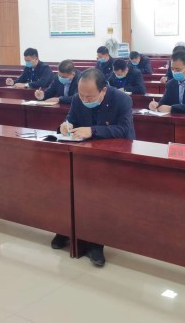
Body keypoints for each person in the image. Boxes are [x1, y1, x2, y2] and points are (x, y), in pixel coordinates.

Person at [52, 68, 135, 267]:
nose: (84, 99)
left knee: (98, 195)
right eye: (81, 95)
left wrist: (93, 130)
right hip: (85, 155)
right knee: (67, 185)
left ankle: (96, 242)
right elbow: (71, 119)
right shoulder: (77, 98)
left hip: (114, 157)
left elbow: (124, 130)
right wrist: (65, 125)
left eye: (89, 96)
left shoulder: (122, 99)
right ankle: (67, 230)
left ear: (103, 90)